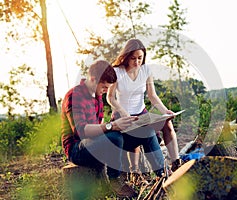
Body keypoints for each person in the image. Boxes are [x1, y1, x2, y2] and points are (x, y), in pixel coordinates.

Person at [61, 60, 164, 198]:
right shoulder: (74, 95)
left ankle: (163, 176)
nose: (105, 91)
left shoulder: (97, 96)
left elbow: (100, 126)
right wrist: (112, 126)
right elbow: (82, 131)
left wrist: (127, 125)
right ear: (93, 79)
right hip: (77, 149)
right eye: (104, 87)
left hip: (97, 142)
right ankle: (115, 179)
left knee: (147, 132)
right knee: (114, 138)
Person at [107, 39, 182, 181]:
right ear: (126, 57)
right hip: (123, 115)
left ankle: (176, 163)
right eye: (133, 58)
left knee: (167, 123)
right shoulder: (117, 72)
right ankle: (158, 173)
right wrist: (124, 113)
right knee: (145, 134)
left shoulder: (146, 70)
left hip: (142, 113)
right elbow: (110, 98)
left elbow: (152, 95)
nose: (137, 62)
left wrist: (165, 111)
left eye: (140, 58)